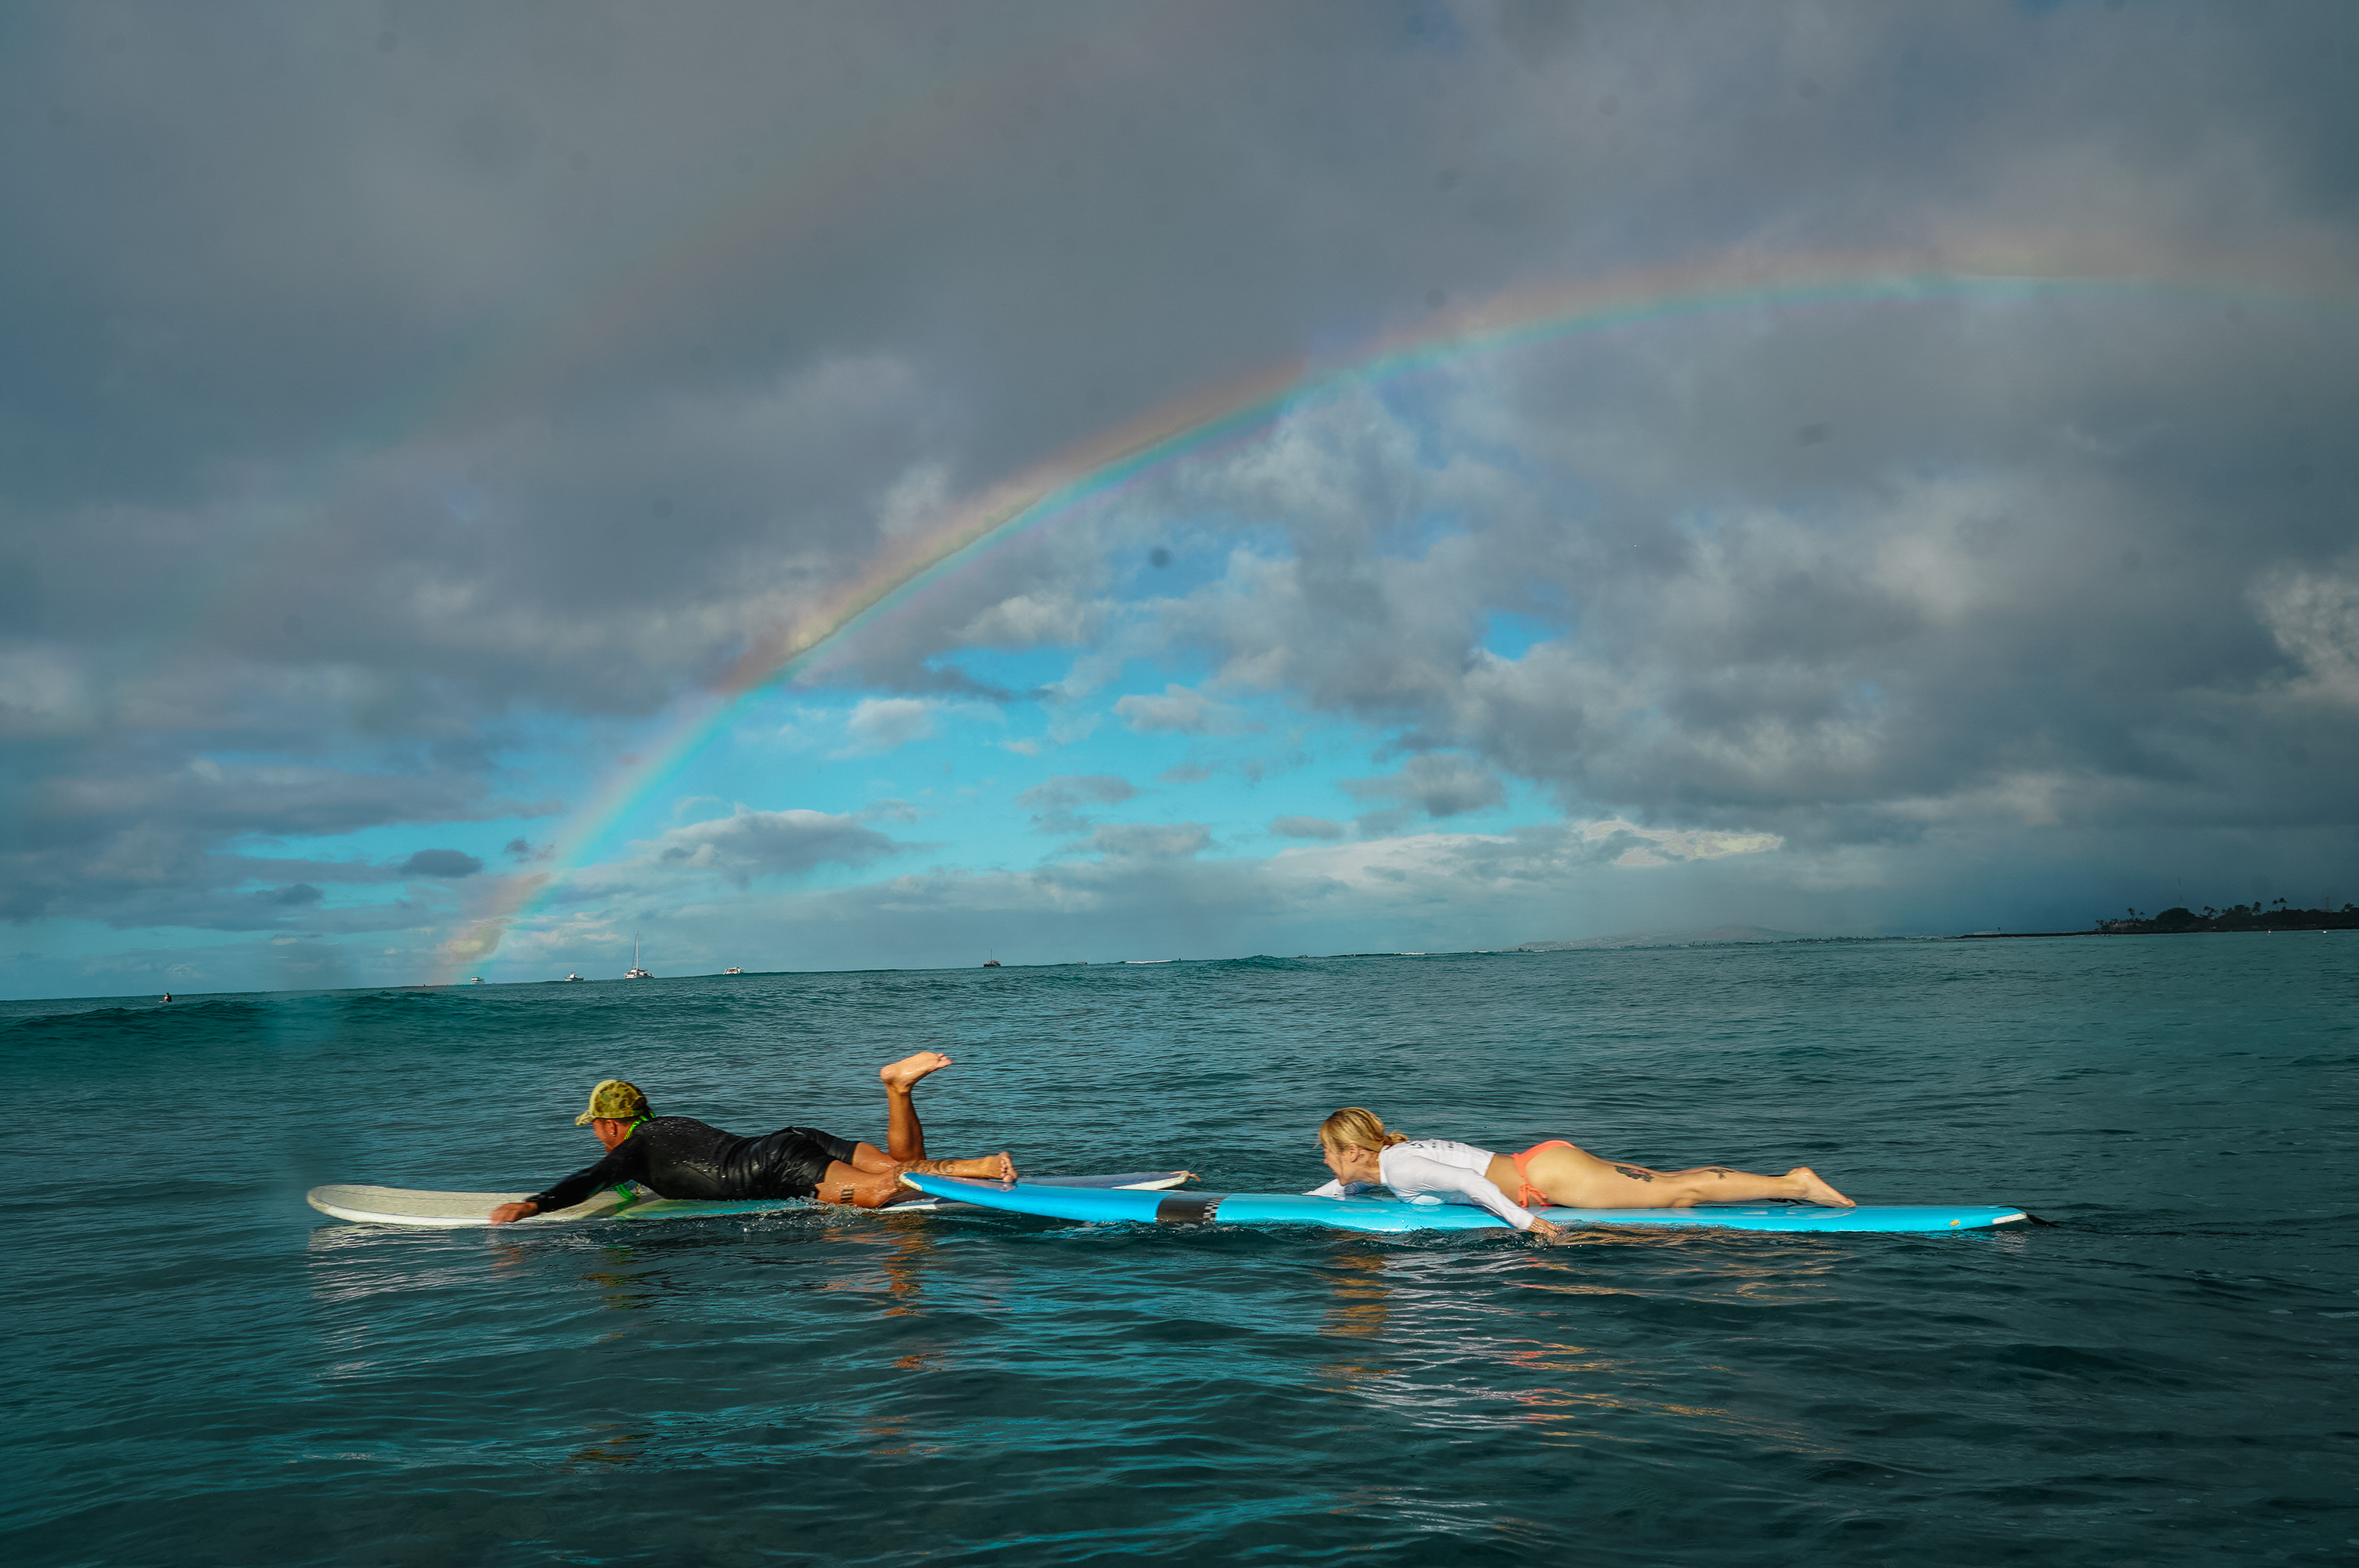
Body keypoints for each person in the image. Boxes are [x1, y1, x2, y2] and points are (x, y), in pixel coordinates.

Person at [487, 1051, 1015, 1223]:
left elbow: (590, 1178)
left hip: (777, 1165)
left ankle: (979, 1166)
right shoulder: (675, 1126)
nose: (599, 1139)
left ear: (608, 1124)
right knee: (903, 1164)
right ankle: (898, 1089)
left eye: (597, 1129)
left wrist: (533, 1205)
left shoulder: (633, 1148)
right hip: (792, 1137)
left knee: (878, 1195)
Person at [1308, 1107, 1856, 1243]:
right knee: (1672, 1185)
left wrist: (1527, 1226)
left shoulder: (1400, 1165)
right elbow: (1340, 1188)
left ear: (1354, 1150)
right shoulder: (1387, 1160)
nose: (1327, 1164)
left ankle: (1795, 1183)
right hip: (1543, 1165)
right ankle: (1790, 1182)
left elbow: (1475, 1187)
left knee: (1674, 1193)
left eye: (1329, 1154)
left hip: (1544, 1180)